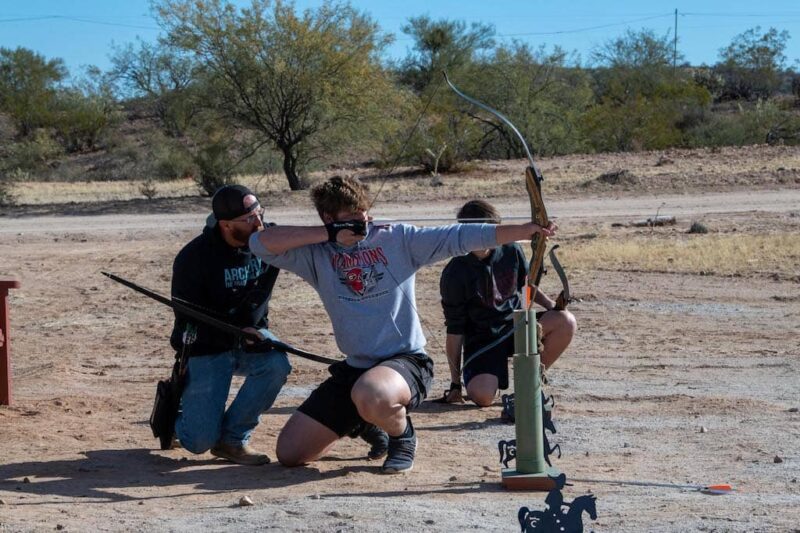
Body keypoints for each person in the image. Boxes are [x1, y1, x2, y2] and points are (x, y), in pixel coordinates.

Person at [249, 176, 556, 474]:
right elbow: (260, 243)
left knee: (372, 394)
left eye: (366, 214)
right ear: (329, 218)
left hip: (406, 363)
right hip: (356, 370)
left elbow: (459, 236)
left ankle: (402, 436)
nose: (364, 224)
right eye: (352, 219)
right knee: (290, 453)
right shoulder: (316, 254)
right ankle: (369, 421)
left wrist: (525, 231)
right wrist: (330, 235)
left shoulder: (398, 238)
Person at [170, 184, 291, 465]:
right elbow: (188, 318)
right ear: (225, 225)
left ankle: (232, 439)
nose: (259, 223)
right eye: (249, 219)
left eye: (260, 214)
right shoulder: (193, 258)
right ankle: (173, 421)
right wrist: (235, 331)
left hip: (251, 337)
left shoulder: (267, 241)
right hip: (206, 345)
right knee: (199, 442)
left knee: (277, 364)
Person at [439, 200, 576, 407]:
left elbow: (526, 286)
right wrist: (455, 384)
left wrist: (551, 306)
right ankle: (478, 380)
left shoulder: (512, 250)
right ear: (466, 231)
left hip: (516, 327)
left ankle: (529, 383)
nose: (486, 237)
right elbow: (455, 331)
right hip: (483, 341)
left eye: (492, 230)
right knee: (483, 398)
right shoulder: (454, 272)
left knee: (566, 321)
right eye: (479, 231)